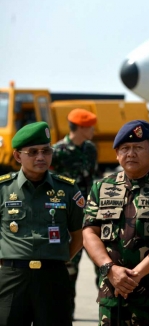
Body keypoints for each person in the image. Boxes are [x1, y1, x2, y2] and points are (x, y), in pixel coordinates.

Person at [82, 120, 149, 325]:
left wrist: (136, 275)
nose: (130, 153)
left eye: (138, 147)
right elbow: (89, 233)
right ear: (117, 154)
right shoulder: (102, 187)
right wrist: (110, 270)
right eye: (125, 148)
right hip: (113, 293)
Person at [0, 121, 85, 326]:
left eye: (46, 151)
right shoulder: (3, 189)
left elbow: (80, 234)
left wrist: (59, 257)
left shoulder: (67, 189)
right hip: (12, 278)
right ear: (18, 156)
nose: (41, 157)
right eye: (33, 152)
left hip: (53, 277)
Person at [50, 108, 99, 318]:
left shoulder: (90, 149)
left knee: (103, 265)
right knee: (68, 272)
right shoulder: (57, 151)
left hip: (90, 218)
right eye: (90, 127)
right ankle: (64, 316)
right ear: (80, 127)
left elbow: (91, 180)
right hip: (68, 221)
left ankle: (111, 312)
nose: (94, 130)